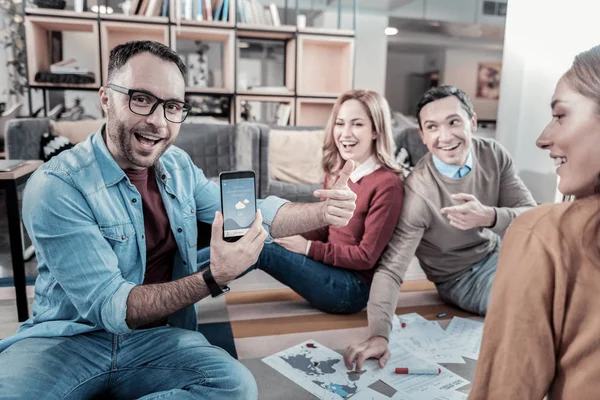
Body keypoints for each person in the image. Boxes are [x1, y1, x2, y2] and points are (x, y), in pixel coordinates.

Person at [0, 40, 358, 400]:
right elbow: (112, 307)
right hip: (69, 341)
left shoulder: (178, 166)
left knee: (236, 386)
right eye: (141, 99)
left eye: (172, 106)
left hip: (154, 341)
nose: (157, 121)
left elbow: (251, 212)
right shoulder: (56, 185)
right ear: (106, 98)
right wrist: (214, 277)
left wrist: (323, 212)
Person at [344, 85, 538, 371]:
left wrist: (490, 216)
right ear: (422, 135)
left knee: (574, 273)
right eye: (432, 127)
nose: (444, 137)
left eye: (454, 122)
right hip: (461, 278)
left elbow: (534, 218)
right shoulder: (418, 193)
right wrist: (378, 334)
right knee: (531, 301)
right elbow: (391, 269)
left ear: (472, 122)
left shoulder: (493, 154)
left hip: (501, 252)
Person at [469, 45, 600, 400]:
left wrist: (491, 216)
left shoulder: (544, 232)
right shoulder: (419, 182)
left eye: (560, 115)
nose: (543, 138)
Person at [200, 90, 404, 314]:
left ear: (376, 130)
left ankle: (188, 287)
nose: (345, 133)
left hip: (351, 289)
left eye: (357, 124)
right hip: (325, 267)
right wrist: (285, 233)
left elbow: (365, 258)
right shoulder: (338, 171)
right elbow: (327, 229)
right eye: (340, 123)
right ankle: (178, 274)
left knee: (261, 249)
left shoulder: (388, 184)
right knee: (260, 232)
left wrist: (307, 248)